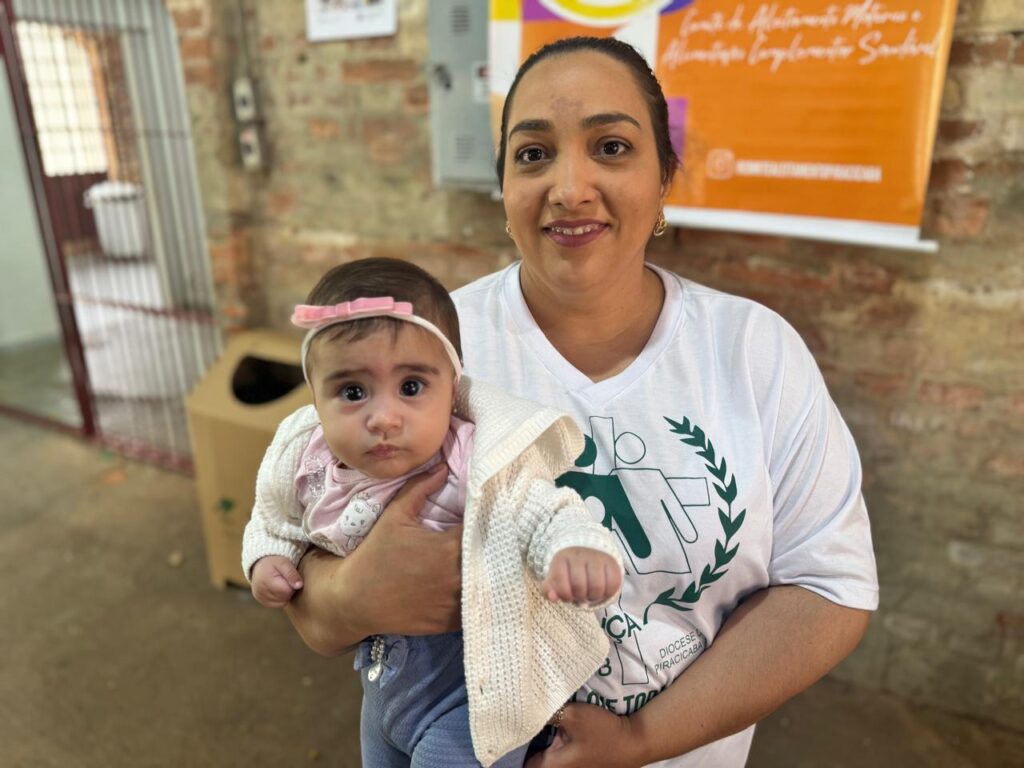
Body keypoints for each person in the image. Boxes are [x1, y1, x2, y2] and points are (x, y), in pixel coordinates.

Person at [286, 36, 879, 767]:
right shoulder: (426, 354)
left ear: (664, 176)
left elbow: (829, 586)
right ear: (502, 187)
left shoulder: (755, 352)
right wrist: (347, 597)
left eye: (611, 147)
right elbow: (305, 548)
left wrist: (642, 739)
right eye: (533, 155)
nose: (569, 186)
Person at [241, 257, 623, 767]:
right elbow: (273, 519)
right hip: (381, 687)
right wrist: (268, 560)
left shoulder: (472, 458)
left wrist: (576, 548)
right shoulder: (308, 460)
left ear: (453, 387)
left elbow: (543, 509)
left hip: (471, 700)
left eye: (412, 387)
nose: (383, 418)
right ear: (315, 397)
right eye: (352, 392)